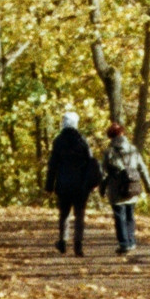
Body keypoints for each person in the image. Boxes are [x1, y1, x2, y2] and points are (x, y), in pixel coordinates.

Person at [46, 107, 101, 255]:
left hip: (63, 184)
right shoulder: (82, 141)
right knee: (79, 214)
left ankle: (63, 241)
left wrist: (49, 186)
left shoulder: (58, 141)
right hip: (81, 185)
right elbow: (91, 162)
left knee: (64, 213)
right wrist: (93, 182)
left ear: (63, 123)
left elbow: (53, 165)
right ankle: (78, 244)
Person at [101, 120, 150, 256]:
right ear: (123, 133)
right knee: (130, 215)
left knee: (119, 216)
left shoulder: (109, 152)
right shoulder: (133, 150)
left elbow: (104, 173)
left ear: (110, 136)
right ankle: (132, 241)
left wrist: (101, 189)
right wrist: (149, 187)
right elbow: (142, 168)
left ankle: (124, 244)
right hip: (133, 187)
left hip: (116, 190)